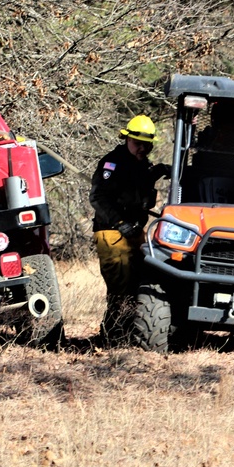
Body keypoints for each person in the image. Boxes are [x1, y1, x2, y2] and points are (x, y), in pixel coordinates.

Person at [89, 114, 170, 342]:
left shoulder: (142, 164)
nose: (142, 148)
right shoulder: (112, 163)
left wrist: (160, 170)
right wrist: (119, 223)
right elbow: (98, 198)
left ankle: (128, 332)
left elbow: (138, 184)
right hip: (111, 233)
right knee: (121, 289)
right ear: (126, 139)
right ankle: (112, 337)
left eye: (147, 144)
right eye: (137, 143)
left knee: (141, 284)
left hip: (135, 232)